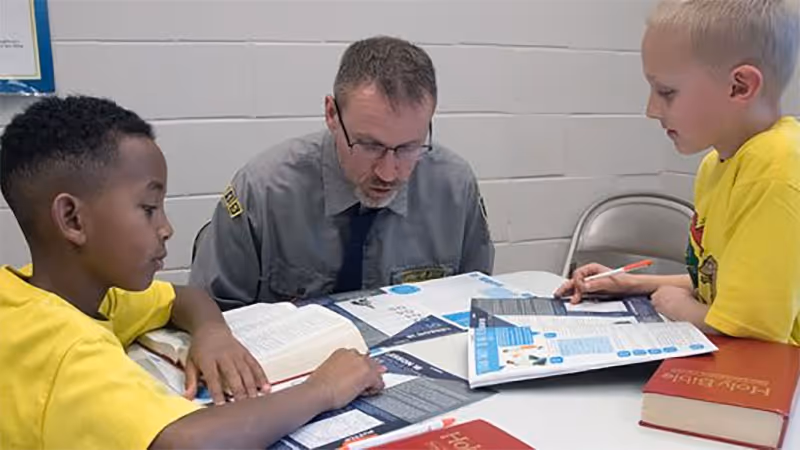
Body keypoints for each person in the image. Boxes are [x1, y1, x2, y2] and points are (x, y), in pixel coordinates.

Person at [0, 96, 385, 449]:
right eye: (149, 208)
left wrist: (212, 333)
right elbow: (187, 444)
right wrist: (323, 389)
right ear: (72, 219)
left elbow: (182, 298)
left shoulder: (62, 292)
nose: (166, 227)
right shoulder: (64, 349)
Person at [557, 0, 800, 345]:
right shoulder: (716, 165)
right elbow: (720, 286)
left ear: (740, 86)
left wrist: (677, 306)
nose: (651, 110)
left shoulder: (776, 170)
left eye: (666, 92)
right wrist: (631, 284)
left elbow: (749, 330)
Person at [190, 36, 494, 310]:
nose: (389, 173)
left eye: (408, 147)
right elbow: (210, 321)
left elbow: (475, 303)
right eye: (369, 145)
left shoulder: (454, 187)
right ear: (332, 114)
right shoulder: (263, 191)